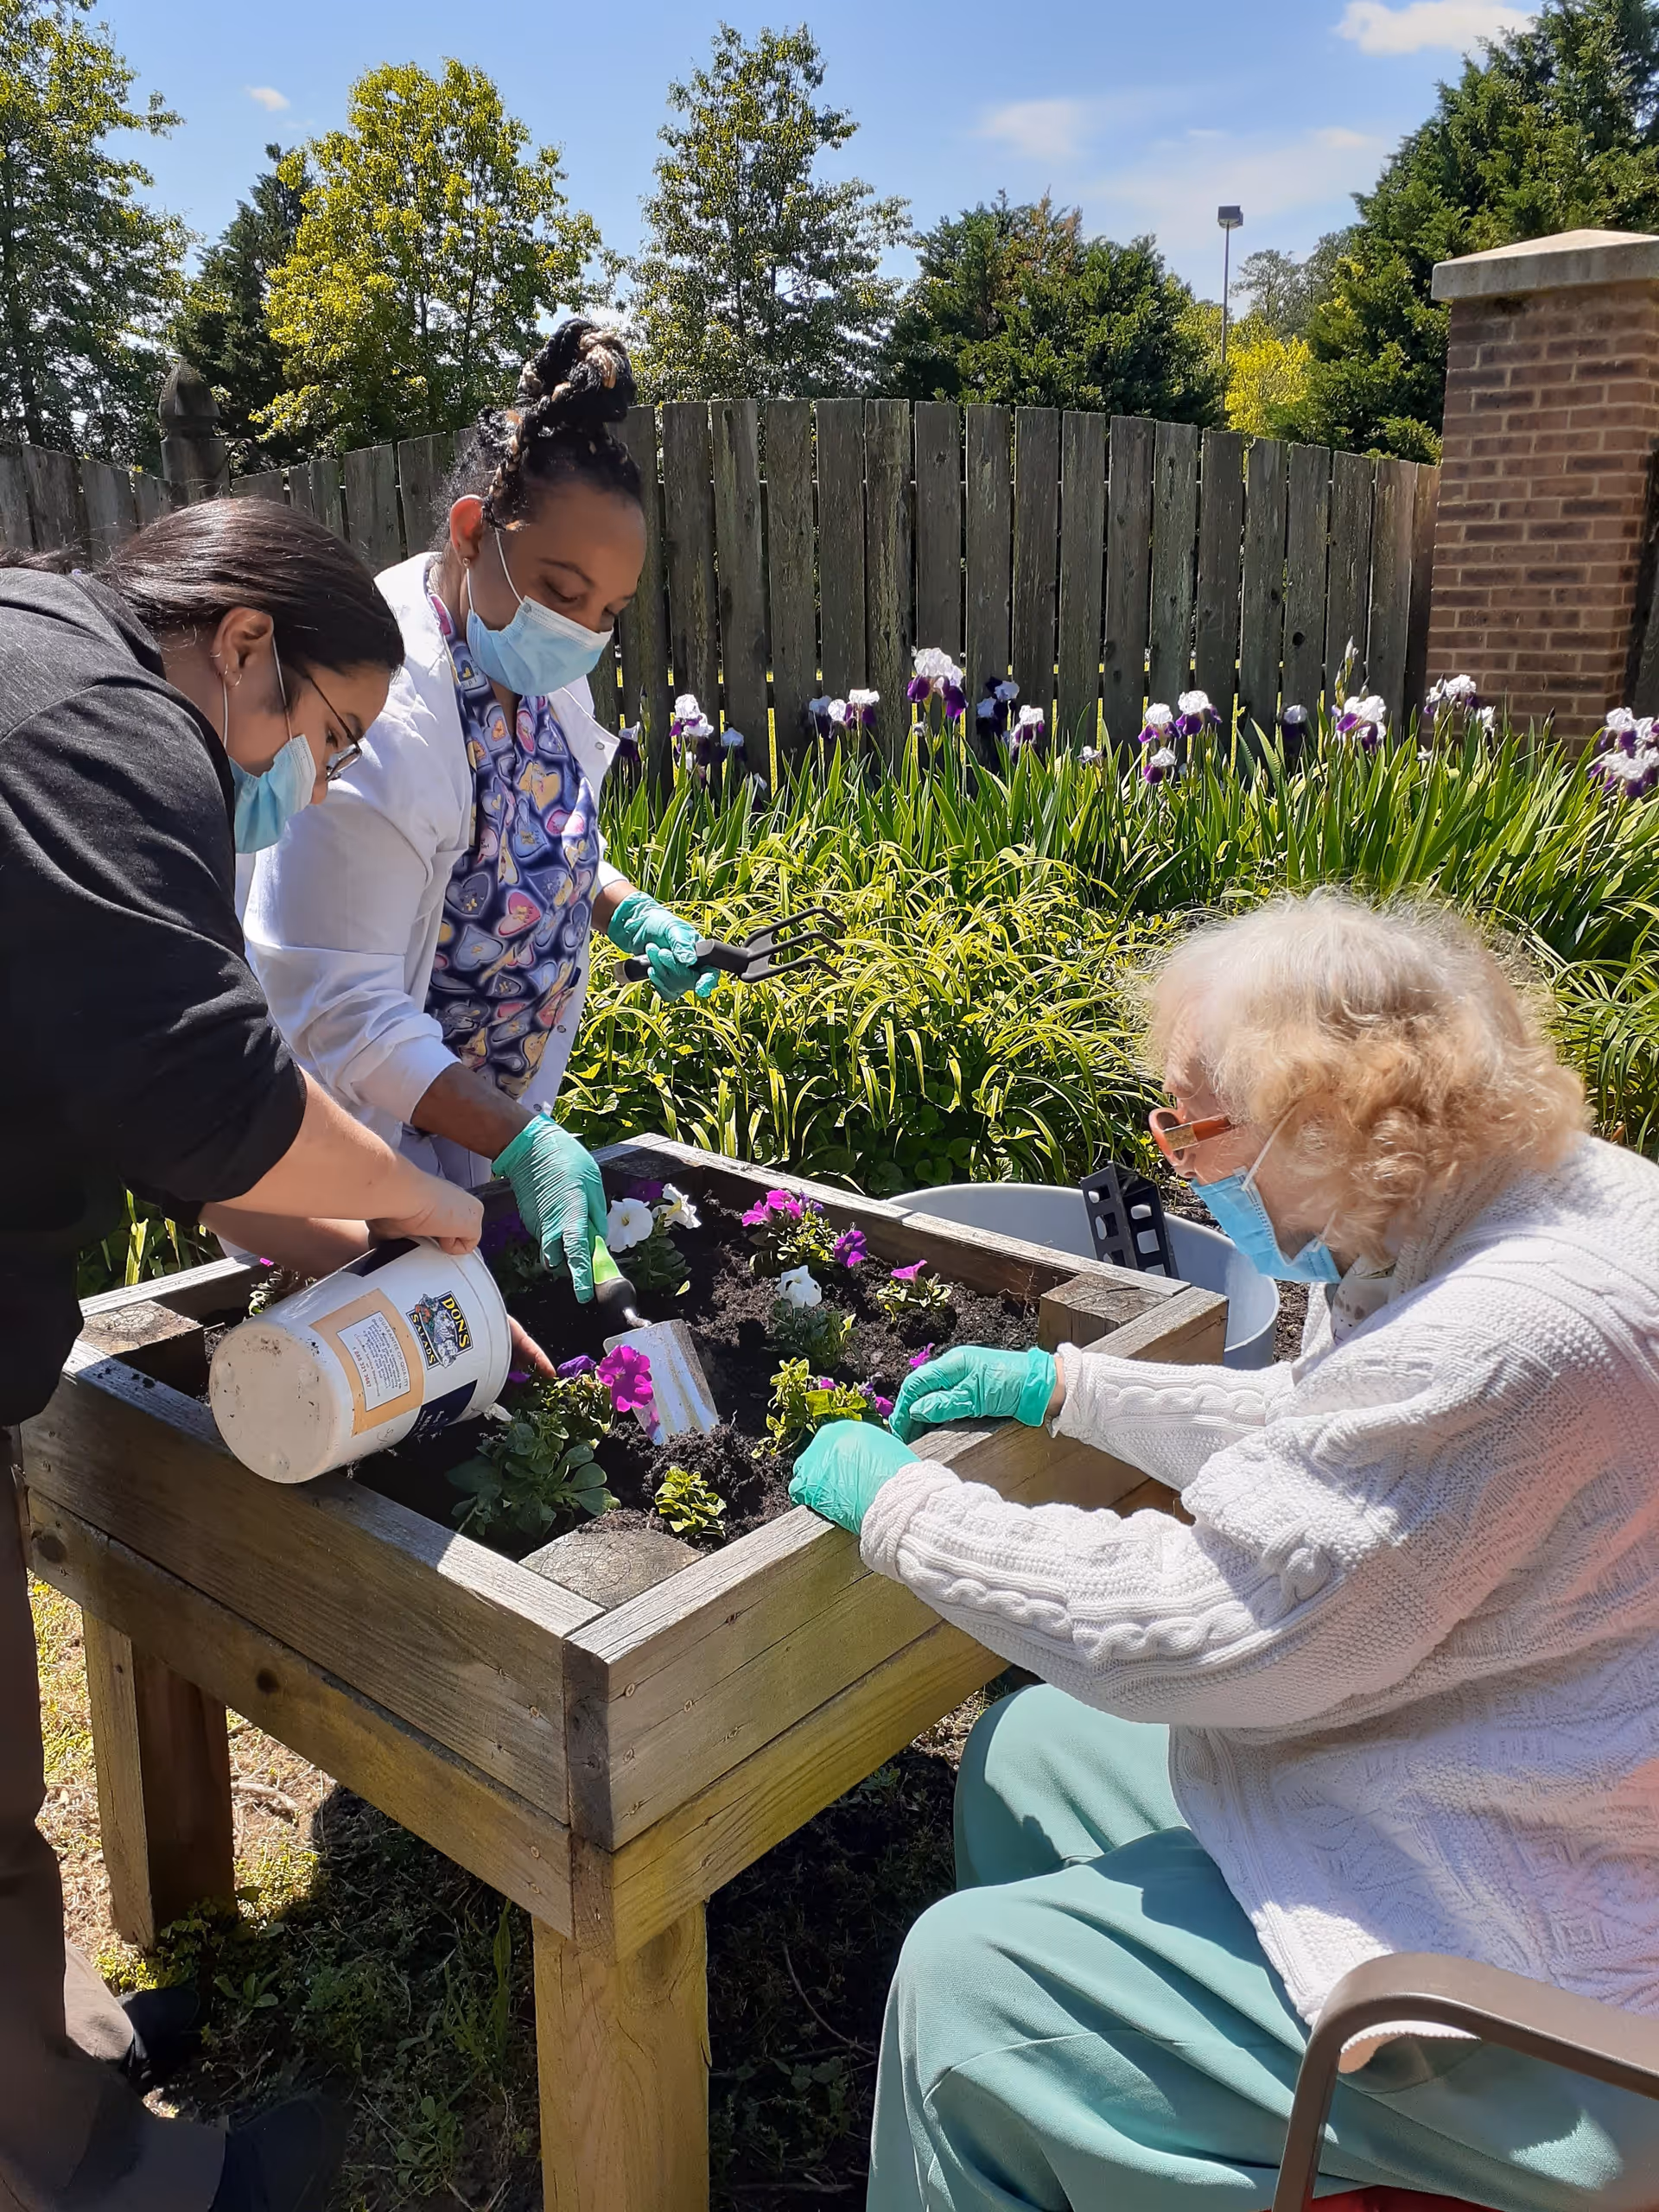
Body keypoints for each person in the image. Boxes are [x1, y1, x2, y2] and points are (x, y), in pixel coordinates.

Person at [790, 891, 1659, 2212]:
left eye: (1192, 1125)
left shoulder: (1507, 1332)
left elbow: (1199, 1631)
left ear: (1329, 1121)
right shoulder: (1513, 1208)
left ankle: (1029, 2093)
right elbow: (1356, 1460)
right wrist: (1074, 1392)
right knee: (1027, 1756)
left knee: (966, 1991)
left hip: (1551, 1994)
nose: (1171, 1159)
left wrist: (912, 1513)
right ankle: (1119, 2144)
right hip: (1497, 1769)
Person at [0, 499, 483, 2212]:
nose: (312, 779)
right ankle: (93, 2174)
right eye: (322, 733)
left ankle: (46, 2048)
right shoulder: (107, 713)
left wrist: (295, 1215)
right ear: (242, 642)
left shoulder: (30, 660)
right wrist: (435, 1206)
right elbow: (213, 1079)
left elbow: (89, 1042)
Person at [243, 317, 720, 1306]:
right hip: (348, 1169)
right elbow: (340, 1006)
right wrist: (524, 1139)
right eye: (562, 589)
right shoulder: (379, 712)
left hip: (480, 1137)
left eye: (609, 611)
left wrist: (626, 909)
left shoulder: (542, 675)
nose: (582, 631)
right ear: (472, 533)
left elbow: (544, 836)